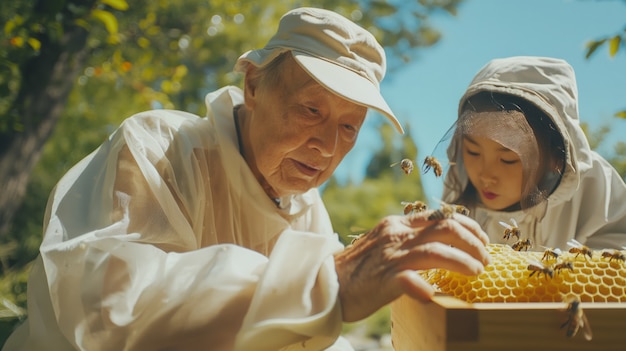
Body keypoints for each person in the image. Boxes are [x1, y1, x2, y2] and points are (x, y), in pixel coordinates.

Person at [3, 7, 491, 351]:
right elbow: (110, 309)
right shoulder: (158, 146)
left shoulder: (309, 210)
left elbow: (300, 336)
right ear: (254, 84)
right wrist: (326, 282)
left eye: (348, 127)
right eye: (310, 109)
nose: (326, 145)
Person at [441, 55, 626, 251]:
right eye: (473, 152)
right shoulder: (458, 202)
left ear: (556, 158)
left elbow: (618, 241)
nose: (486, 175)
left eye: (507, 159)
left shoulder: (594, 183)